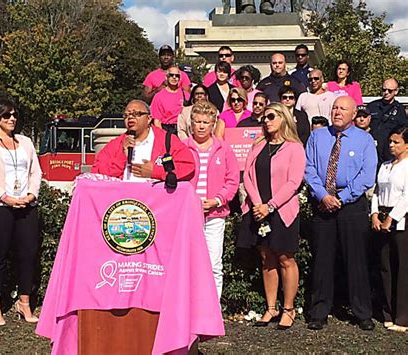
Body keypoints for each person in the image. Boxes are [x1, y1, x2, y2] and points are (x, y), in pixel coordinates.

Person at [305, 96, 377, 331]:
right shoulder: (317, 137)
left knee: (356, 259)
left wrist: (341, 199)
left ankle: (362, 312)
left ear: (354, 113)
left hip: (351, 205)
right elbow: (309, 169)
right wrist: (323, 196)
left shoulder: (364, 139)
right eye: (335, 107)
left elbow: (367, 176)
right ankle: (319, 311)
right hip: (322, 203)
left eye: (343, 108)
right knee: (322, 260)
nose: (337, 112)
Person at [0, 97, 42, 326]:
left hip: (26, 205)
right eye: (6, 115)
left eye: (14, 114)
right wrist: (5, 197)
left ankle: (24, 303)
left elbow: (35, 172)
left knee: (28, 254)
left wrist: (31, 194)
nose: (12, 118)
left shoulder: (25, 142)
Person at [238, 103, 306, 330]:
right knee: (266, 257)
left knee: (286, 258)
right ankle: (270, 308)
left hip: (282, 209)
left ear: (284, 118)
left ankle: (288, 308)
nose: (266, 121)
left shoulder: (294, 148)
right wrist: (258, 203)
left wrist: (271, 205)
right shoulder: (258, 145)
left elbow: (294, 182)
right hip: (258, 209)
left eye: (271, 116)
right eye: (264, 117)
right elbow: (247, 175)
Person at [183, 101, 239, 299]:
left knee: (214, 263)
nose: (201, 126)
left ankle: (212, 309)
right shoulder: (182, 148)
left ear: (213, 124)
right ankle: (190, 306)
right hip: (188, 214)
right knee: (188, 263)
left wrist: (217, 200)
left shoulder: (224, 149)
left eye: (205, 122)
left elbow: (232, 180)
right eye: (197, 121)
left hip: (215, 214)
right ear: (191, 123)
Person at [91, 100, 195, 182]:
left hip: (156, 202)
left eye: (136, 114)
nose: (130, 117)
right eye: (126, 115)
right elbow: (97, 174)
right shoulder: (116, 144)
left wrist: (155, 171)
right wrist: (121, 157)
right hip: (124, 203)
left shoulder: (167, 140)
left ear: (149, 118)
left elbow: (188, 167)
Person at [371, 126, 408, 332]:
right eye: (390, 142)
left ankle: (403, 315)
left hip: (401, 219)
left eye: (397, 142)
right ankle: (387, 311)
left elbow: (406, 196)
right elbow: (377, 191)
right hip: (382, 215)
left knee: (402, 267)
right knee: (385, 266)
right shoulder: (385, 166)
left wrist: (392, 218)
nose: (392, 145)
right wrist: (375, 214)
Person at [367, 78, 408, 164]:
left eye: (390, 90)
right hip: (372, 148)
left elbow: (403, 132)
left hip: (389, 150)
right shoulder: (372, 106)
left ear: (396, 91)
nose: (386, 93)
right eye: (384, 89)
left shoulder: (400, 110)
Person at [150, 66, 186, 135]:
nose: (174, 77)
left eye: (177, 76)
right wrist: (162, 136)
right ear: (166, 77)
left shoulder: (185, 94)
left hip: (182, 130)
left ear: (180, 78)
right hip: (167, 130)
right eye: (171, 75)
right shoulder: (159, 96)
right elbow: (157, 121)